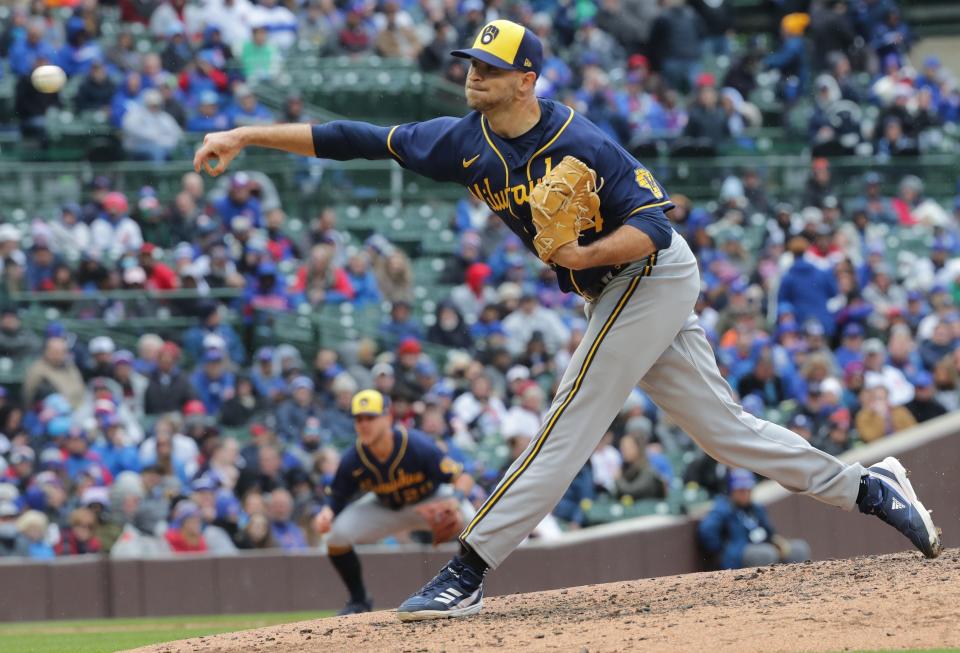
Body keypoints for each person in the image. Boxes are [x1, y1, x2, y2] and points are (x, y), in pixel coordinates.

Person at [194, 18, 942, 621]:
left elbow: (654, 225)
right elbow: (356, 139)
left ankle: (469, 568)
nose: (473, 75)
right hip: (614, 288)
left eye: (490, 68)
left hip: (648, 274)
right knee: (726, 431)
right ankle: (870, 487)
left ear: (528, 79)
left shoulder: (583, 142)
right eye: (470, 63)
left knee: (571, 413)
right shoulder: (464, 141)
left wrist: (582, 254)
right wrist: (245, 136)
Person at [311, 390, 475, 616]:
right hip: (386, 509)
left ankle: (468, 586)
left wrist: (455, 501)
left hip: (430, 501)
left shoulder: (415, 444)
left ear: (387, 418)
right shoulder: (354, 457)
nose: (364, 424)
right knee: (336, 536)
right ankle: (359, 600)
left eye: (370, 417)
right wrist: (327, 513)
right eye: (359, 419)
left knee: (471, 521)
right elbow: (338, 496)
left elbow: (463, 476)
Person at [698, 469, 811, 569]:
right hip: (739, 551)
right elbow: (707, 530)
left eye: (748, 490)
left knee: (799, 549)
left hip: (761, 544)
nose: (745, 494)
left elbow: (769, 531)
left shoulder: (756, 508)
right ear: (732, 490)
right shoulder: (723, 508)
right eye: (741, 490)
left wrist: (776, 541)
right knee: (767, 554)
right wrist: (723, 550)